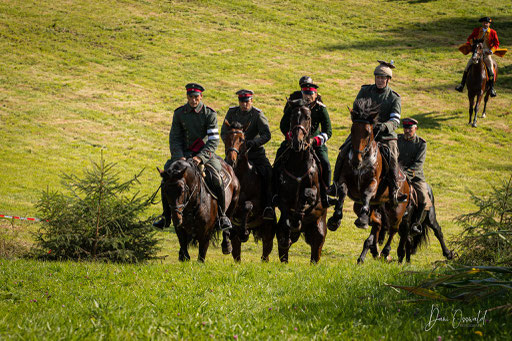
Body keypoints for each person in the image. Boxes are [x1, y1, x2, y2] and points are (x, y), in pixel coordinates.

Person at [153, 83, 232, 230]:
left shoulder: (210, 114)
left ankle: (222, 216)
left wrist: (201, 157)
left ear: (201, 97)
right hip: (182, 156)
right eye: (190, 97)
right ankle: (166, 216)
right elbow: (174, 138)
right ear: (187, 97)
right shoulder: (179, 113)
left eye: (196, 97)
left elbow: (213, 140)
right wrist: (179, 156)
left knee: (217, 178)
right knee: (167, 178)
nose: (193, 100)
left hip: (204, 155)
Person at [328, 60, 405, 206]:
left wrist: (383, 126)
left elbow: (395, 121)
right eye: (378, 77)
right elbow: (356, 109)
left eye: (383, 78)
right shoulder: (365, 90)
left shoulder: (394, 98)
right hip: (363, 132)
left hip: (385, 135)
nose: (380, 80)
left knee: (392, 156)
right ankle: (336, 185)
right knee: (343, 150)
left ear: (388, 80)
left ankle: (395, 189)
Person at [273, 80, 332, 207]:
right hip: (294, 140)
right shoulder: (294, 107)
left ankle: (326, 193)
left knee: (326, 163)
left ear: (315, 95)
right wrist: (290, 137)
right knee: (278, 159)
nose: (308, 96)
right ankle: (275, 193)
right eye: (305, 93)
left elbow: (328, 131)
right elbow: (283, 125)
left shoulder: (320, 108)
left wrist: (315, 141)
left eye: (311, 94)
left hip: (314, 143)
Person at [220, 89, 274, 220]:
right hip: (234, 154)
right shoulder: (232, 112)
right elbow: (224, 132)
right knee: (219, 175)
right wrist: (232, 147)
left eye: (247, 102)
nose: (244, 104)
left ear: (251, 101)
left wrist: (253, 143)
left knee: (269, 173)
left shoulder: (257, 115)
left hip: (254, 153)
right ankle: (220, 210)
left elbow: (267, 135)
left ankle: (269, 207)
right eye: (242, 102)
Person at [397, 118, 432, 235]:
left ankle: (416, 224)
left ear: (415, 128)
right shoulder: (397, 140)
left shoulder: (421, 144)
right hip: (397, 174)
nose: (407, 131)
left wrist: (405, 174)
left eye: (409, 128)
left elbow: (418, 164)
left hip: (415, 175)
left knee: (423, 197)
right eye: (405, 128)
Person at [455, 17, 499, 97]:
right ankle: (461, 85)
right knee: (467, 67)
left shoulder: (493, 32)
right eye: (484, 22)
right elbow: (469, 38)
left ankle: (491, 88)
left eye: (487, 23)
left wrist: (491, 51)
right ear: (482, 23)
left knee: (491, 70)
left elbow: (496, 44)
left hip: (486, 53)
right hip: (477, 52)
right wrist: (472, 44)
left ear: (489, 24)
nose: (485, 24)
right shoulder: (476, 30)